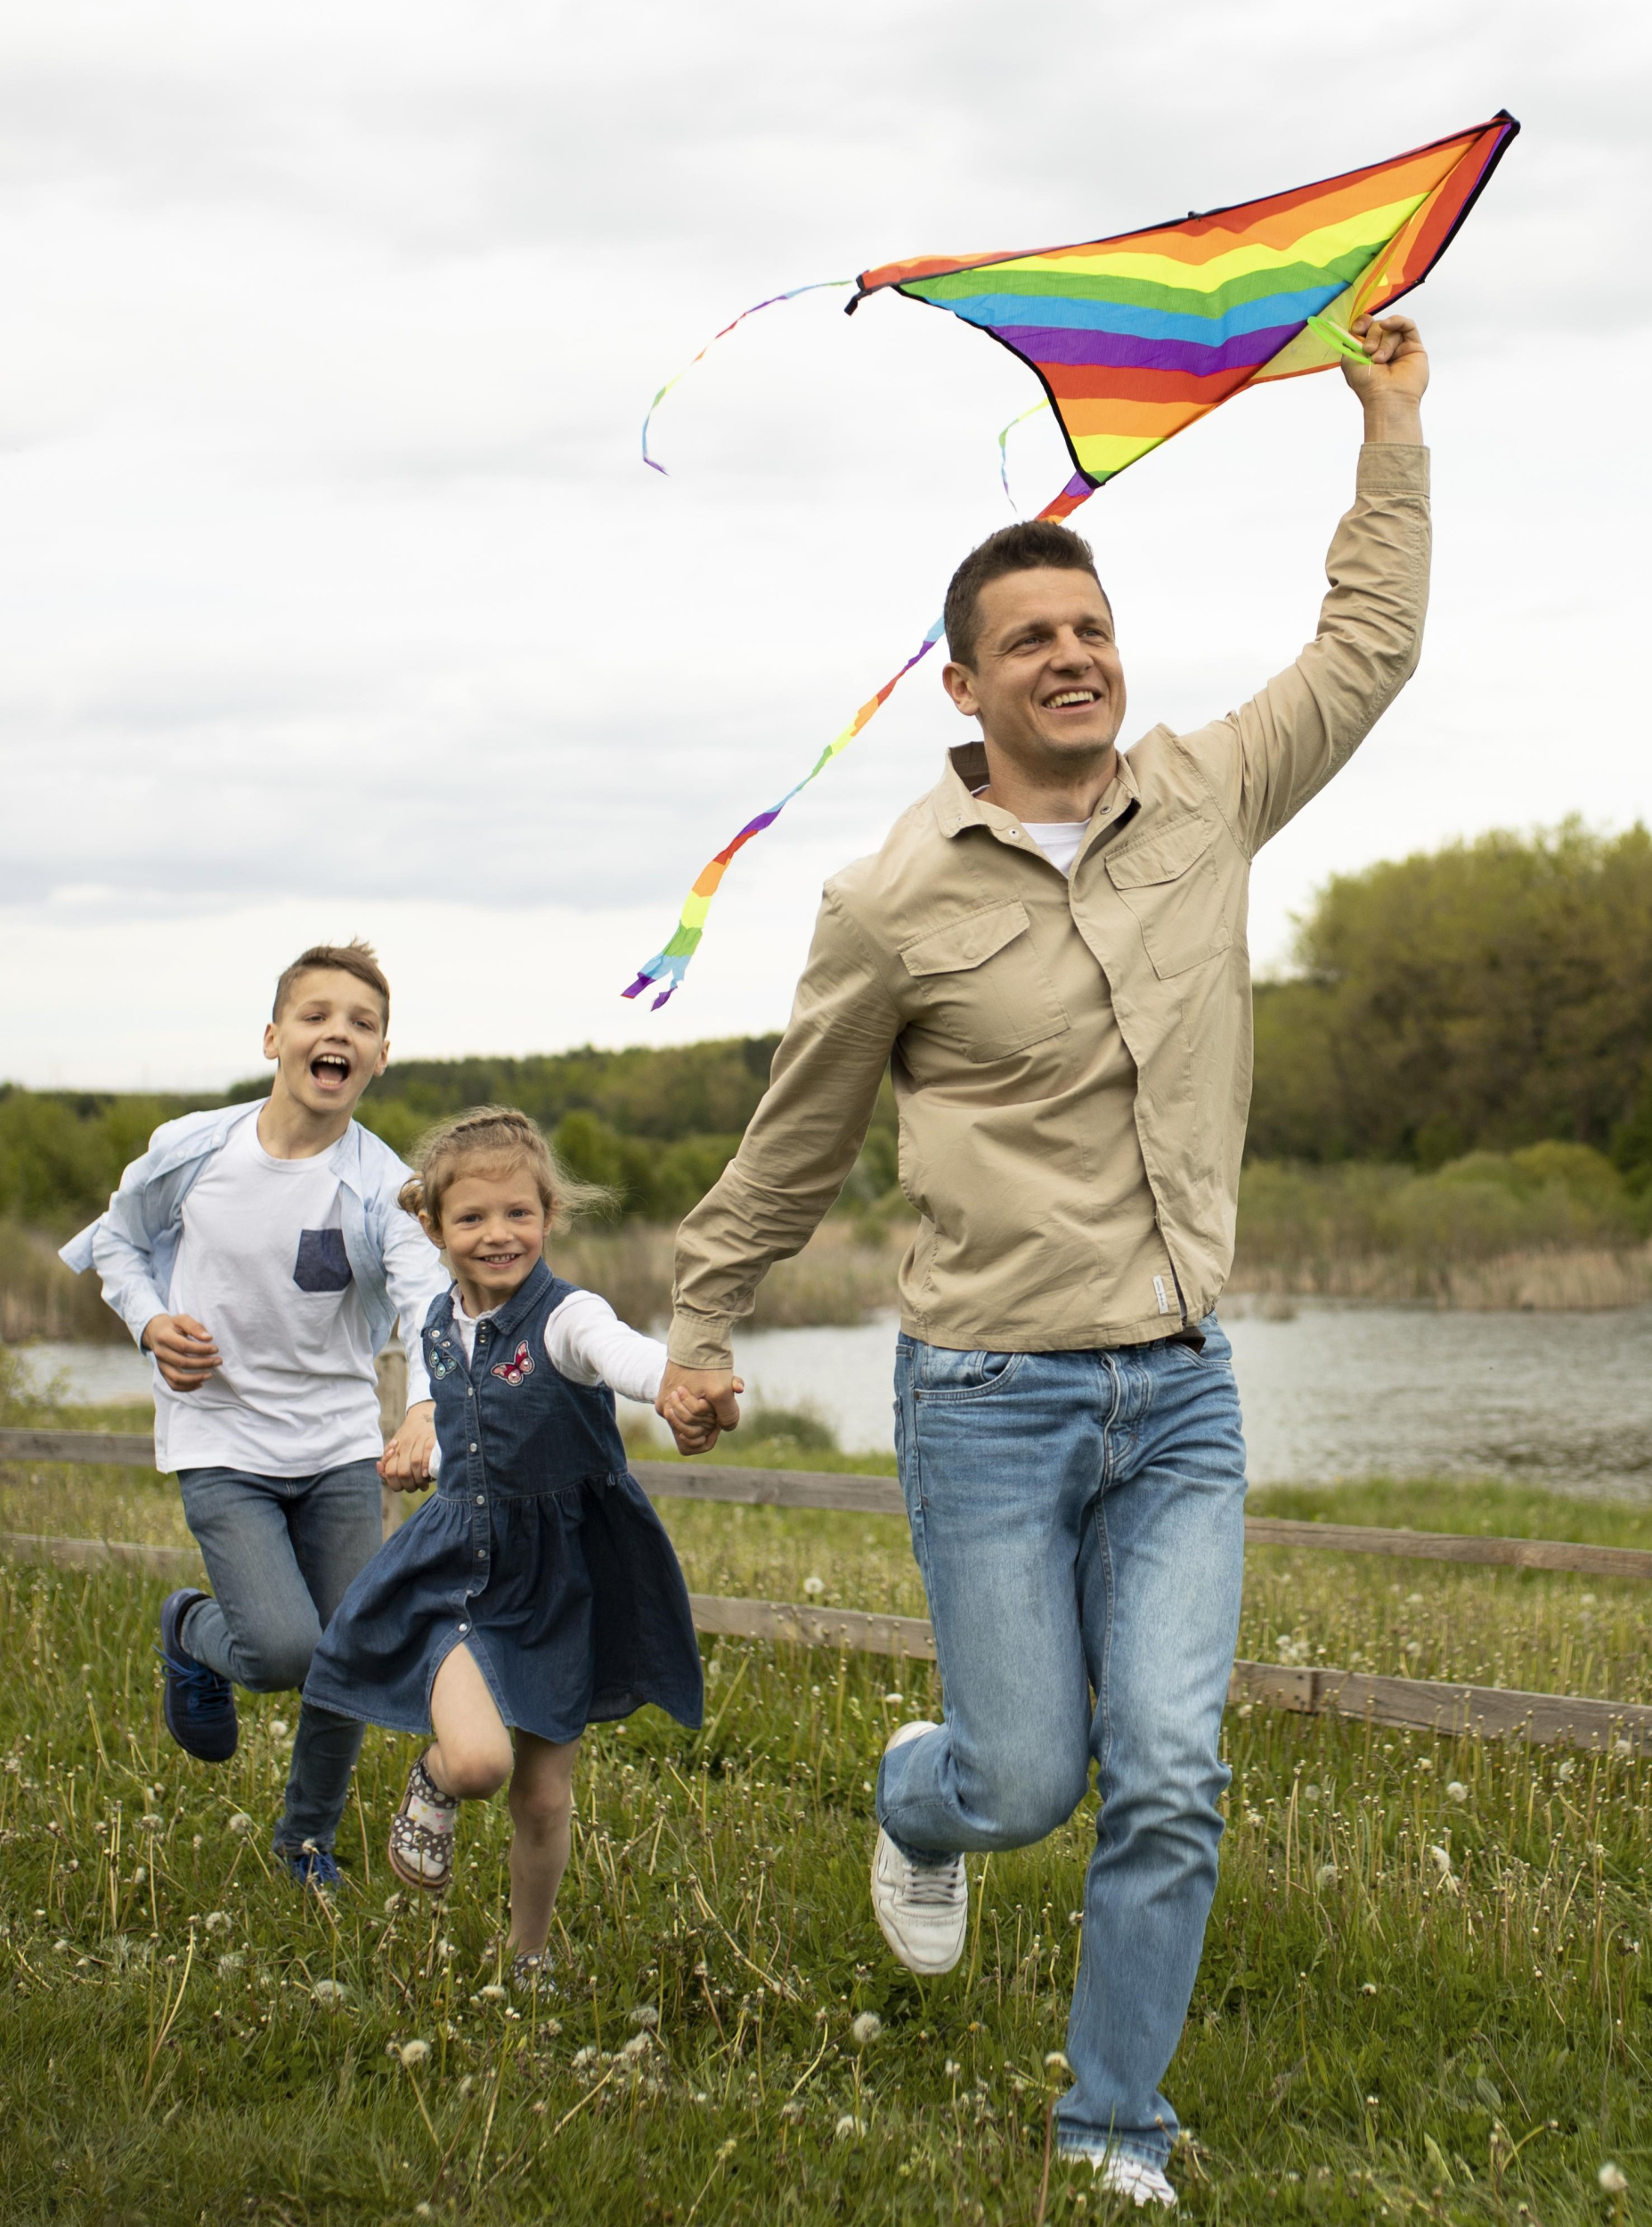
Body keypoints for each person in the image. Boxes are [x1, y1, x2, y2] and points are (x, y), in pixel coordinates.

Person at [656, 314, 1432, 2206]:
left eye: (1090, 629)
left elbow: (1370, 645)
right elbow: (801, 1134)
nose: (1075, 658)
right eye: (1034, 640)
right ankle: (923, 1793)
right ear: (967, 679)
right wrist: (699, 1315)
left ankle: (1111, 2122)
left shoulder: (1210, 795)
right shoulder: (890, 901)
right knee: (1028, 1783)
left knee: (1167, 1769)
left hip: (1177, 1387)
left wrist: (1390, 425)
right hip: (988, 1399)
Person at [60, 939, 451, 1891]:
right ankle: (191, 1627)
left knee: (350, 1652)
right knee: (281, 1651)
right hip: (221, 1439)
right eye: (318, 1015)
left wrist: (430, 1405)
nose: (338, 1034)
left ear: (381, 1057)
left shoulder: (381, 1187)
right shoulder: (194, 1148)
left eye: (361, 1024)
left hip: (337, 1447)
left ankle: (305, 1843)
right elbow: (118, 1239)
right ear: (275, 1036)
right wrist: (150, 1320)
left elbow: (427, 1298)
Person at [304, 1106, 712, 1987]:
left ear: (549, 1214)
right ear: (435, 1226)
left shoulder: (569, 1315)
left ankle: (529, 1955)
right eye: (473, 1218)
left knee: (541, 1793)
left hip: (561, 1576)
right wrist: (423, 1442)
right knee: (484, 1762)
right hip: (457, 1570)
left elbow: (622, 1355)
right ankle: (436, 1780)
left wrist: (675, 1386)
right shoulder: (433, 1321)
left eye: (518, 1214)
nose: (498, 1234)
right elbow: (462, 1414)